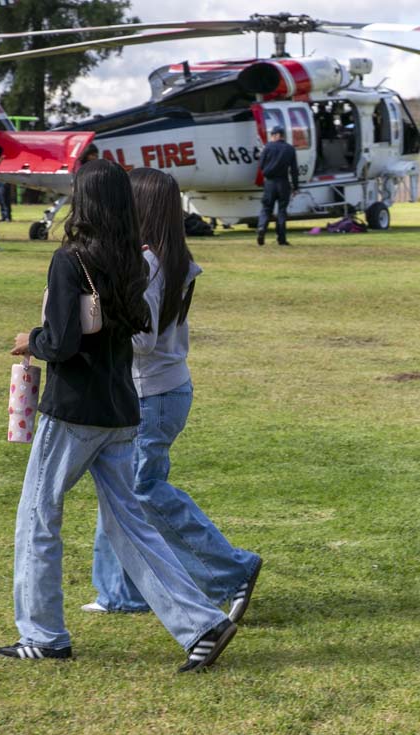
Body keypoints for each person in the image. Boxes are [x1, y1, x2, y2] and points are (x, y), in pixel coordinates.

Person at [2, 159, 237, 672]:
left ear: (83, 200)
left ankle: (42, 634)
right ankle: (202, 623)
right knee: (130, 526)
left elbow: (62, 343)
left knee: (38, 516)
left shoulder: (71, 260)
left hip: (75, 410)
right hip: (123, 407)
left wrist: (31, 340)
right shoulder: (137, 260)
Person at [83, 166, 263, 622]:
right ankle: (119, 592)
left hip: (151, 395)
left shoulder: (147, 264)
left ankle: (231, 570)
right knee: (121, 489)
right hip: (162, 390)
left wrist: (92, 324)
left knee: (142, 490)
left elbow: (142, 340)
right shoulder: (170, 257)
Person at [256, 125, 299, 246]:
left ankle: (261, 228)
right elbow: (294, 170)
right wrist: (295, 186)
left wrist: (267, 172)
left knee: (266, 208)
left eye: (272, 135)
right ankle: (281, 238)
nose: (271, 137)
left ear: (277, 135)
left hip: (270, 182)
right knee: (282, 210)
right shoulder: (290, 149)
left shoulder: (268, 147)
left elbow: (261, 165)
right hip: (283, 183)